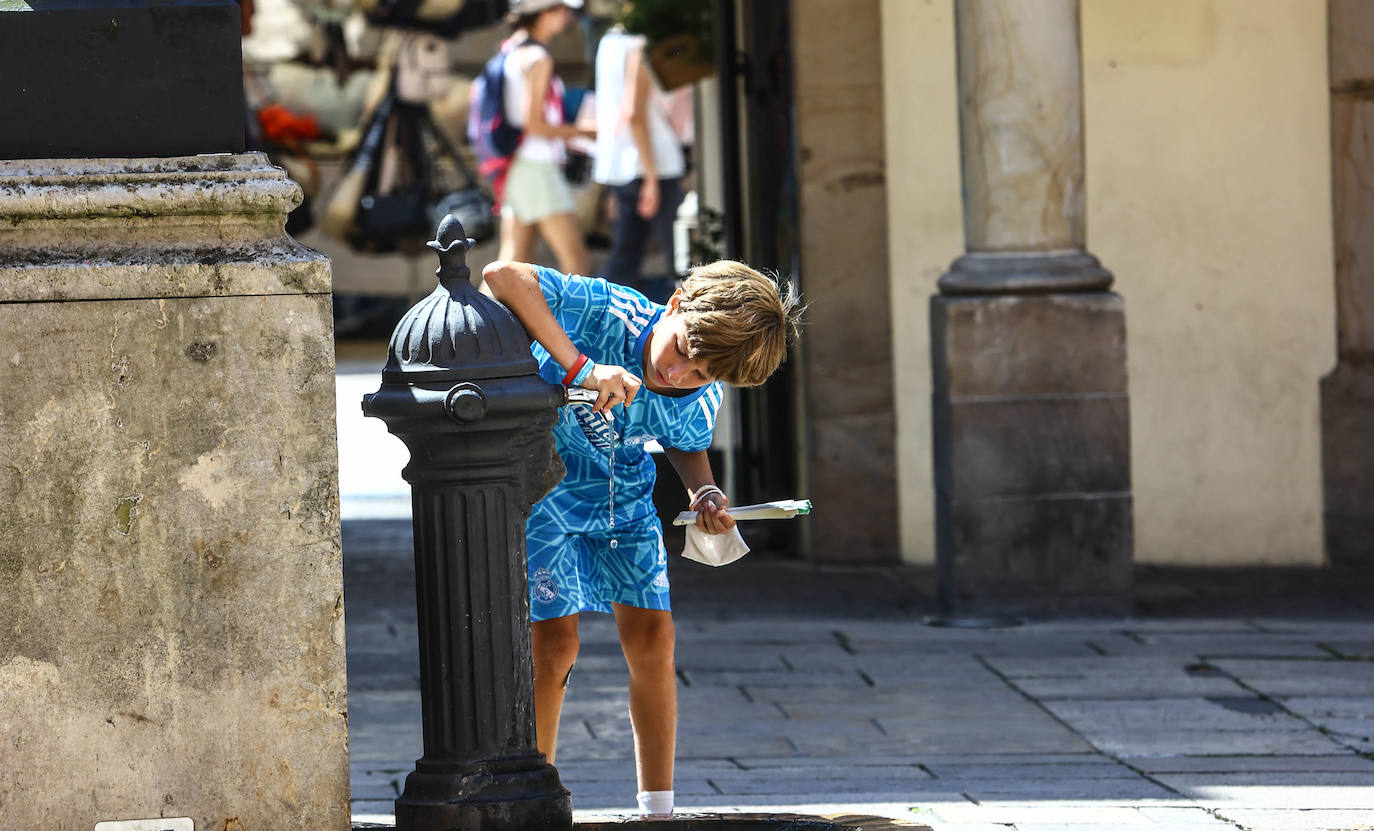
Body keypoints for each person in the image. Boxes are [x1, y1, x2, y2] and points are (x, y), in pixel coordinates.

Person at [481, 257, 800, 817]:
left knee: (655, 640)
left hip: (623, 498)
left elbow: (685, 442)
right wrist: (581, 366)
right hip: (543, 486)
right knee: (554, 646)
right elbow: (501, 276)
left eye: (701, 373)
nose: (679, 374)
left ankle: (659, 810)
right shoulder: (610, 311)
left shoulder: (701, 395)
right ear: (674, 305)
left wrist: (705, 495)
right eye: (681, 351)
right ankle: (534, 801)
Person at [496, 0, 595, 276]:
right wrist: (583, 131)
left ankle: (473, 321)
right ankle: (578, 322)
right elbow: (534, 124)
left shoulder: (510, 50)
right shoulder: (538, 58)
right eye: (562, 9)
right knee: (577, 262)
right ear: (543, 13)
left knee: (511, 265)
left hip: (519, 164)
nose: (567, 16)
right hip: (537, 167)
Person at [592, 21, 687, 301]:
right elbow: (633, 112)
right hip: (653, 164)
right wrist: (651, 177)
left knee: (624, 264)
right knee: (679, 261)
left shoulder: (608, 42)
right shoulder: (638, 43)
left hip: (623, 165)